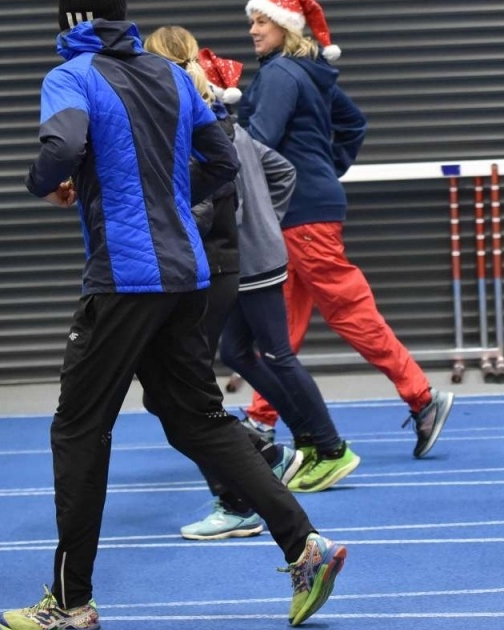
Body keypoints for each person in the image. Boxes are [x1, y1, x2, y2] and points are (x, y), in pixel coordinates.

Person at [0, 0, 344, 630]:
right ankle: (306, 546)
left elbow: (63, 145)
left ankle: (70, 604)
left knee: (77, 430)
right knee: (198, 421)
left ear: (69, 21)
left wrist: (49, 180)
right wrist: (161, 199)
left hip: (125, 279)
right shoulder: (168, 75)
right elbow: (219, 159)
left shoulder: (69, 76)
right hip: (187, 274)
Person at [143, 29, 360, 539]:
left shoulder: (208, 128)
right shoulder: (228, 124)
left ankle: (324, 445)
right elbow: (280, 171)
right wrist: (264, 215)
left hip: (248, 261)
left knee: (271, 355)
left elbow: (221, 194)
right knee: (239, 354)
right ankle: (285, 447)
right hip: (247, 256)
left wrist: (244, 223)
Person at [236, 0, 453, 458]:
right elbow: (353, 124)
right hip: (303, 208)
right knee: (283, 319)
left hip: (296, 212)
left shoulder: (279, 74)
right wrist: (322, 171)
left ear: (287, 28)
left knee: (347, 310)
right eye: (252, 22)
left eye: (261, 22)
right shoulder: (313, 74)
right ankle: (261, 417)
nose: (252, 30)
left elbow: (258, 143)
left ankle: (422, 396)